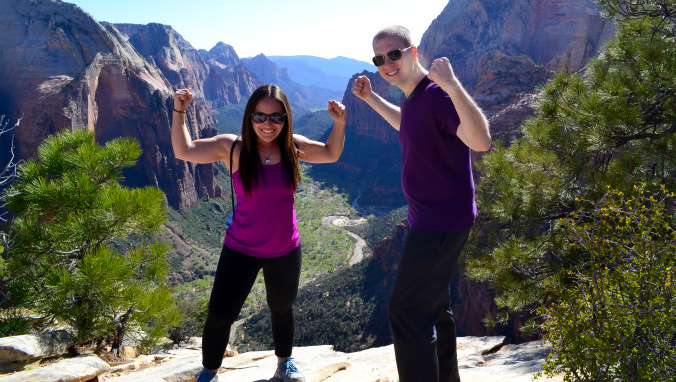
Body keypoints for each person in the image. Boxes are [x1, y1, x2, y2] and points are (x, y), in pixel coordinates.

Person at [171, 84, 346, 382]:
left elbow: (331, 153)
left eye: (276, 117)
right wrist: (179, 111)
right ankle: (210, 372)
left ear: (286, 119)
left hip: (285, 248)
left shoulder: (293, 146)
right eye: (260, 116)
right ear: (249, 117)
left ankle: (284, 365)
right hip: (241, 248)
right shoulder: (233, 148)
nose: (268, 124)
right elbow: (183, 150)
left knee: (281, 309)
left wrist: (339, 123)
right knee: (220, 315)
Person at [353, 25, 491, 382]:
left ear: (413, 53)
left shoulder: (437, 95)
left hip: (440, 221)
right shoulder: (411, 95)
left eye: (394, 54)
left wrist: (453, 85)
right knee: (434, 306)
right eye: (379, 58)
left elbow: (481, 141)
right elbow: (408, 126)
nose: (386, 63)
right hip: (429, 218)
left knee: (406, 311)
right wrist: (370, 99)